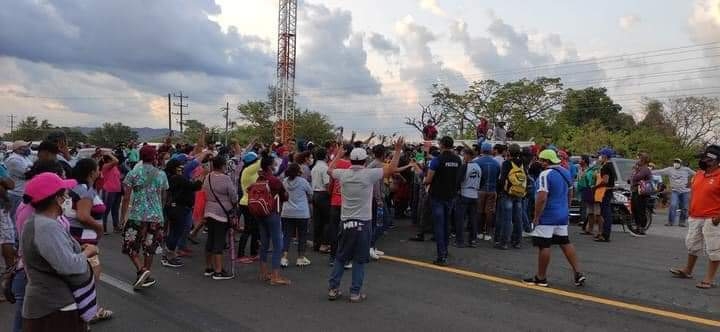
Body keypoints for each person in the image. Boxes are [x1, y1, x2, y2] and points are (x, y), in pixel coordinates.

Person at [327, 137, 403, 302]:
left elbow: (330, 170)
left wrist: (338, 155)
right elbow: (391, 169)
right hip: (363, 222)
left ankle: (333, 289)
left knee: (341, 257)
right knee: (359, 260)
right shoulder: (369, 174)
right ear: (364, 160)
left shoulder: (344, 174)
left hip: (346, 221)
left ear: (352, 159)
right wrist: (397, 150)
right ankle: (355, 293)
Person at [20, 172, 98, 332]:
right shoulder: (47, 227)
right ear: (57, 199)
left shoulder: (38, 222)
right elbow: (68, 266)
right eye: (65, 194)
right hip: (54, 309)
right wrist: (87, 253)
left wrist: (75, 249)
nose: (68, 198)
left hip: (49, 306)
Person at [523, 150, 586, 287]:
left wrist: (536, 216)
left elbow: (542, 197)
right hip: (562, 214)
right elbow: (570, 192)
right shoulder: (565, 172)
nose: (538, 162)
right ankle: (578, 273)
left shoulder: (545, 174)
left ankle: (541, 277)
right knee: (565, 242)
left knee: (544, 245)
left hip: (548, 215)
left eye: (540, 160)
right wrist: (566, 208)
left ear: (546, 161)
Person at [65, 158, 113, 323]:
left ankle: (87, 310)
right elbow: (83, 215)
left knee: (85, 277)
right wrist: (99, 228)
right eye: (97, 168)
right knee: (88, 278)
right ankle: (86, 312)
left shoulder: (81, 188)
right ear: (92, 172)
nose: (100, 171)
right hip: (82, 240)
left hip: (81, 238)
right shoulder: (85, 191)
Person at [669, 145, 720, 289]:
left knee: (714, 249)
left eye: (705, 158)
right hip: (695, 216)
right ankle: (688, 270)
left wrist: (718, 217)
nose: (702, 161)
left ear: (715, 161)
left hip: (712, 218)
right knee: (692, 244)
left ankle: (709, 279)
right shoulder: (698, 174)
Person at [120, 145, 168, 289]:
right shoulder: (161, 174)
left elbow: (126, 198)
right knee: (149, 247)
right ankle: (145, 274)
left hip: (137, 215)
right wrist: (160, 212)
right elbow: (163, 196)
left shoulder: (133, 173)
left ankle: (142, 271)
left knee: (130, 246)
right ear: (154, 157)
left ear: (140, 156)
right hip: (155, 216)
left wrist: (123, 217)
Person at [423, 136, 462, 266]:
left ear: (442, 145)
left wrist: (423, 179)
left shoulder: (437, 160)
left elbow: (428, 180)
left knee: (439, 226)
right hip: (451, 196)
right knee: (447, 224)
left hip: (437, 196)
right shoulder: (458, 160)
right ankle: (445, 251)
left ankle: (441, 255)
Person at [256, 153, 291, 285]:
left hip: (260, 213)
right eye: (274, 164)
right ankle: (275, 276)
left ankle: (264, 272)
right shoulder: (274, 180)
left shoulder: (259, 178)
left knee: (264, 243)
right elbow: (285, 196)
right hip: (272, 213)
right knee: (278, 245)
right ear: (270, 166)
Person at [162, 158, 203, 268]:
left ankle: (169, 254)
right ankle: (169, 256)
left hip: (176, 208)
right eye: (179, 168)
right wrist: (203, 175)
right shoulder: (177, 178)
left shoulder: (173, 178)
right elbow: (195, 186)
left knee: (174, 232)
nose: (182, 169)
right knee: (176, 233)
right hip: (178, 209)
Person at [202, 156, 238, 280]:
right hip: (221, 214)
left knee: (210, 240)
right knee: (219, 241)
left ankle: (209, 267)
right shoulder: (226, 179)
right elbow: (233, 196)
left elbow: (204, 191)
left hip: (208, 211)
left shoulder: (208, 177)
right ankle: (218, 271)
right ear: (223, 165)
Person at [281, 163, 313, 267]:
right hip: (301, 212)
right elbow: (311, 192)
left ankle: (284, 258)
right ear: (298, 171)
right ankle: (300, 258)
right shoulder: (303, 181)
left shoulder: (284, 182)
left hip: (286, 212)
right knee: (302, 235)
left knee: (286, 235)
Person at [497, 144, 527, 250]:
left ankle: (504, 242)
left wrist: (500, 189)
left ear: (509, 152)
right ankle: (517, 242)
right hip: (519, 193)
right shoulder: (522, 163)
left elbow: (502, 178)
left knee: (507, 219)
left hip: (507, 193)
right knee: (518, 219)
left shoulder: (507, 163)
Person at [653, 159, 696, 227]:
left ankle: (682, 222)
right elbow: (659, 171)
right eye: (675, 162)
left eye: (677, 162)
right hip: (675, 191)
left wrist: (691, 182)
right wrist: (648, 171)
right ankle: (670, 222)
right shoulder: (669, 169)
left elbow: (697, 175)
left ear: (680, 163)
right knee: (673, 205)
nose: (676, 163)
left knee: (684, 207)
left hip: (685, 191)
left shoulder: (686, 169)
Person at [237, 151, 261, 264]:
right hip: (247, 203)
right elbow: (262, 162)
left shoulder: (251, 171)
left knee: (255, 229)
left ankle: (254, 253)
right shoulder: (248, 171)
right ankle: (240, 255)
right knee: (248, 229)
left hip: (252, 203)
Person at [455, 148, 481, 248]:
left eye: (464, 155)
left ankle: (460, 241)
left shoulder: (465, 166)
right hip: (474, 194)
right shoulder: (478, 167)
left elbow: (458, 180)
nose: (463, 157)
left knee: (460, 219)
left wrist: (456, 190)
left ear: (468, 155)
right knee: (473, 219)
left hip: (464, 193)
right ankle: (472, 240)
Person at [475, 143, 500, 242]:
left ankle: (479, 232)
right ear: (490, 151)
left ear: (481, 150)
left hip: (480, 190)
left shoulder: (477, 162)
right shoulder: (496, 163)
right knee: (489, 212)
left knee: (479, 211)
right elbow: (498, 176)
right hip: (492, 190)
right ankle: (488, 233)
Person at [5, 141, 33, 221]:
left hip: (22, 192)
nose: (28, 148)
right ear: (17, 149)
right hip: (15, 193)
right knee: (12, 217)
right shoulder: (13, 159)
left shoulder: (24, 157)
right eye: (25, 147)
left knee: (19, 217)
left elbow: (32, 169)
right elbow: (28, 173)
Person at [311, 148, 331, 253]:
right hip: (323, 194)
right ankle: (324, 244)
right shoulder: (325, 167)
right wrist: (330, 194)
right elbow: (327, 184)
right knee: (327, 221)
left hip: (315, 194)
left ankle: (316, 244)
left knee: (317, 221)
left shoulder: (314, 167)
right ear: (325, 156)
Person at [594, 148, 616, 243]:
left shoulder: (606, 166)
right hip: (607, 191)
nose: (599, 157)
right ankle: (603, 233)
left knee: (606, 214)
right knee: (604, 213)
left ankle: (605, 235)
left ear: (605, 156)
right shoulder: (610, 165)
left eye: (601, 155)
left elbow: (605, 181)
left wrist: (595, 186)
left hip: (605, 192)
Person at [629, 152, 652, 237]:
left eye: (638, 158)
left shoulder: (645, 169)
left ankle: (641, 229)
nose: (637, 160)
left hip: (641, 193)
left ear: (643, 160)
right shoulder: (639, 168)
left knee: (640, 210)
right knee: (635, 209)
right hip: (636, 191)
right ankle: (638, 227)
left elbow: (636, 177)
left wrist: (635, 171)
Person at [577, 156, 600, 236]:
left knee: (596, 212)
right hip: (585, 190)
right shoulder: (581, 169)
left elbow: (592, 181)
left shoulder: (592, 170)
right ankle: (589, 229)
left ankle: (597, 231)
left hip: (591, 190)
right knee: (589, 211)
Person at [100, 153, 122, 234]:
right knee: (106, 210)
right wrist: (109, 154)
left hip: (117, 190)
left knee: (115, 210)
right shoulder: (106, 166)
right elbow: (116, 160)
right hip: (109, 190)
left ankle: (116, 226)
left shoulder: (114, 167)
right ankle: (103, 227)